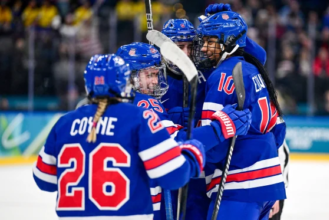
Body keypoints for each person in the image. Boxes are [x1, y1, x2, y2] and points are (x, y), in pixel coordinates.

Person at [32, 54, 207, 219]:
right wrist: (192, 154)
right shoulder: (139, 117)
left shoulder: (64, 123)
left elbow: (43, 179)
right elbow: (174, 176)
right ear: (125, 83)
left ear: (87, 85)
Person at [115, 42, 253, 220]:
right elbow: (174, 143)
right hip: (145, 202)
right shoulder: (143, 103)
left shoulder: (109, 104)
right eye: (149, 75)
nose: (156, 81)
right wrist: (222, 126)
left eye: (157, 75)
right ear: (129, 77)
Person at [192, 10, 286, 220]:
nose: (205, 48)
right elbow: (279, 130)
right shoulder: (253, 70)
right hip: (268, 184)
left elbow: (214, 150)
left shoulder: (222, 76)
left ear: (228, 43)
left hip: (238, 184)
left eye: (211, 42)